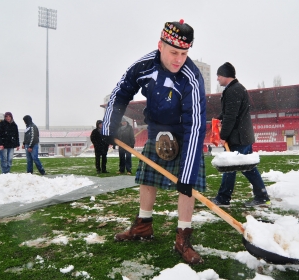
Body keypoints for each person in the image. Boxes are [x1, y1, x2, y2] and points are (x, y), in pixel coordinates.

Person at [102, 19, 206, 265]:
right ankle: (143, 226)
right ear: (160, 46)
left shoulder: (192, 78)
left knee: (186, 187)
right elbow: (121, 92)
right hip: (156, 130)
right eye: (174, 52)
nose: (179, 59)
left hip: (184, 133)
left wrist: (187, 174)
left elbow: (196, 124)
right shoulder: (144, 65)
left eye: (184, 53)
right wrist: (109, 126)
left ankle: (183, 237)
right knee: (147, 180)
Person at [210, 62, 271, 208]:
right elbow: (228, 113)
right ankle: (262, 196)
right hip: (242, 135)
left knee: (229, 167)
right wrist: (218, 119)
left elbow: (231, 116)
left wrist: (223, 135)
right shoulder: (236, 88)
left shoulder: (233, 90)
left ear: (225, 75)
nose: (217, 79)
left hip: (238, 137)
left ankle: (223, 198)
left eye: (218, 76)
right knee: (247, 167)